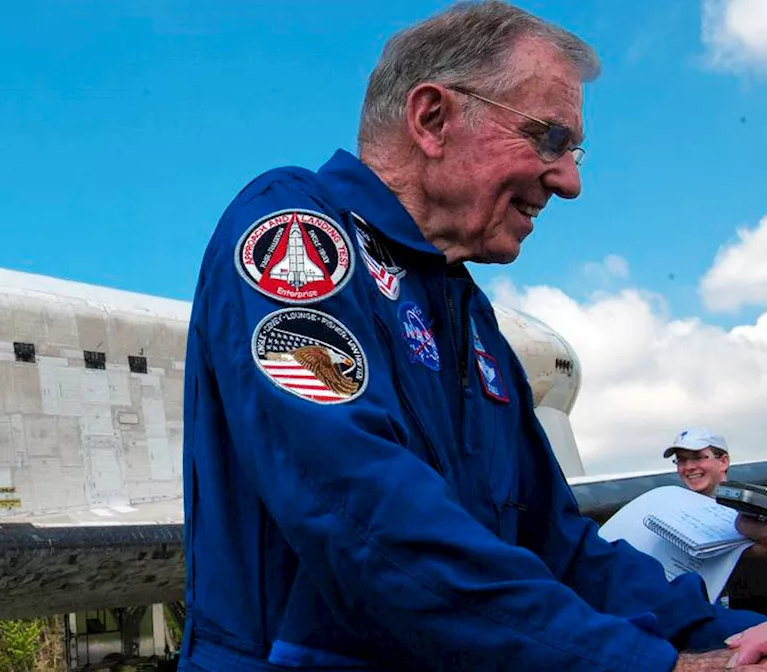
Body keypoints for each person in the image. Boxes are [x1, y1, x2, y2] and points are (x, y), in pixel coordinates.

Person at [180, 1, 767, 670]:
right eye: (551, 138)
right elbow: (364, 515)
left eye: (574, 151)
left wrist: (725, 636)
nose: (570, 181)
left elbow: (558, 546)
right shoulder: (299, 236)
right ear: (433, 119)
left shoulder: (466, 311)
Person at [665, 427, 731, 497]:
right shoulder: (676, 505)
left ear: (723, 462)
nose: (689, 467)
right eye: (681, 460)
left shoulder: (741, 506)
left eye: (697, 458)